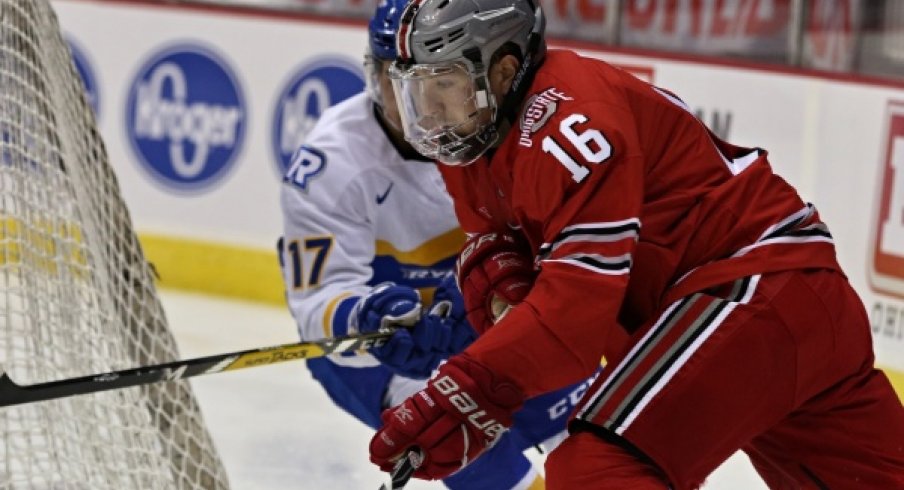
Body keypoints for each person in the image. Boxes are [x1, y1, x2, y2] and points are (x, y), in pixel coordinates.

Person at [368, 1, 904, 489]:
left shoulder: (571, 123)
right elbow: (495, 241)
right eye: (419, 91)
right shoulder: (473, 137)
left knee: (598, 470)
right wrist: (498, 283)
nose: (430, 113)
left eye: (443, 86)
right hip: (784, 302)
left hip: (751, 290)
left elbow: (574, 319)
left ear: (503, 70)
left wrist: (471, 385)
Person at [278, 1, 597, 488]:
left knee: (593, 439)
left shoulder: (506, 132)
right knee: (474, 451)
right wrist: (367, 321)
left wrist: (491, 311)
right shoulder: (332, 165)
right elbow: (316, 304)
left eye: (438, 80)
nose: (418, 101)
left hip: (485, 319)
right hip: (384, 355)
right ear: (373, 73)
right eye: (397, 80)